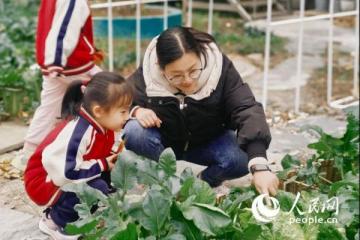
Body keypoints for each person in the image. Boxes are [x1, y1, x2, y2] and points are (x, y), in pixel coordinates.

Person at [123, 27, 279, 196]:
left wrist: (259, 165)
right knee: (135, 131)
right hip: (164, 143)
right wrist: (137, 111)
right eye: (176, 75)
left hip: (207, 142)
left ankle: (201, 184)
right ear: (161, 69)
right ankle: (164, 183)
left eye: (193, 70)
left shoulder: (219, 70)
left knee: (241, 158)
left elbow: (245, 108)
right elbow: (122, 99)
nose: (188, 81)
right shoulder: (149, 74)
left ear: (200, 56)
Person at [24, 72, 132, 239]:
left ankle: (79, 214)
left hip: (67, 172)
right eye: (123, 112)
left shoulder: (103, 124)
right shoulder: (78, 132)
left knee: (105, 181)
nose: (127, 117)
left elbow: (106, 152)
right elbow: (67, 172)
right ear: (99, 111)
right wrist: (102, 164)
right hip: (44, 181)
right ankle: (55, 222)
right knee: (97, 188)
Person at [13, 0, 104, 170]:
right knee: (108, 95)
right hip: (71, 64)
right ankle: (101, 149)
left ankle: (30, 153)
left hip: (55, 64)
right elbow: (64, 29)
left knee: (48, 108)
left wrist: (51, 62)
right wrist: (55, 61)